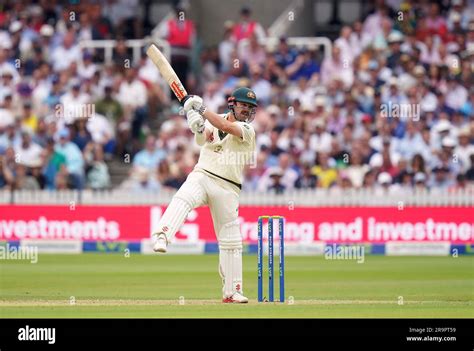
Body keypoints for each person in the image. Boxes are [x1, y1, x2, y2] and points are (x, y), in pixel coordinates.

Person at [151, 87, 257, 303]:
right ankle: (162, 235)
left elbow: (224, 125)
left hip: (228, 187)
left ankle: (232, 291)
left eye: (249, 107)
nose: (246, 110)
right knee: (184, 198)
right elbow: (202, 140)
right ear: (232, 104)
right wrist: (198, 128)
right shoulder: (213, 120)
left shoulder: (247, 129)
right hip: (203, 175)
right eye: (243, 105)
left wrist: (200, 108)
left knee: (231, 240)